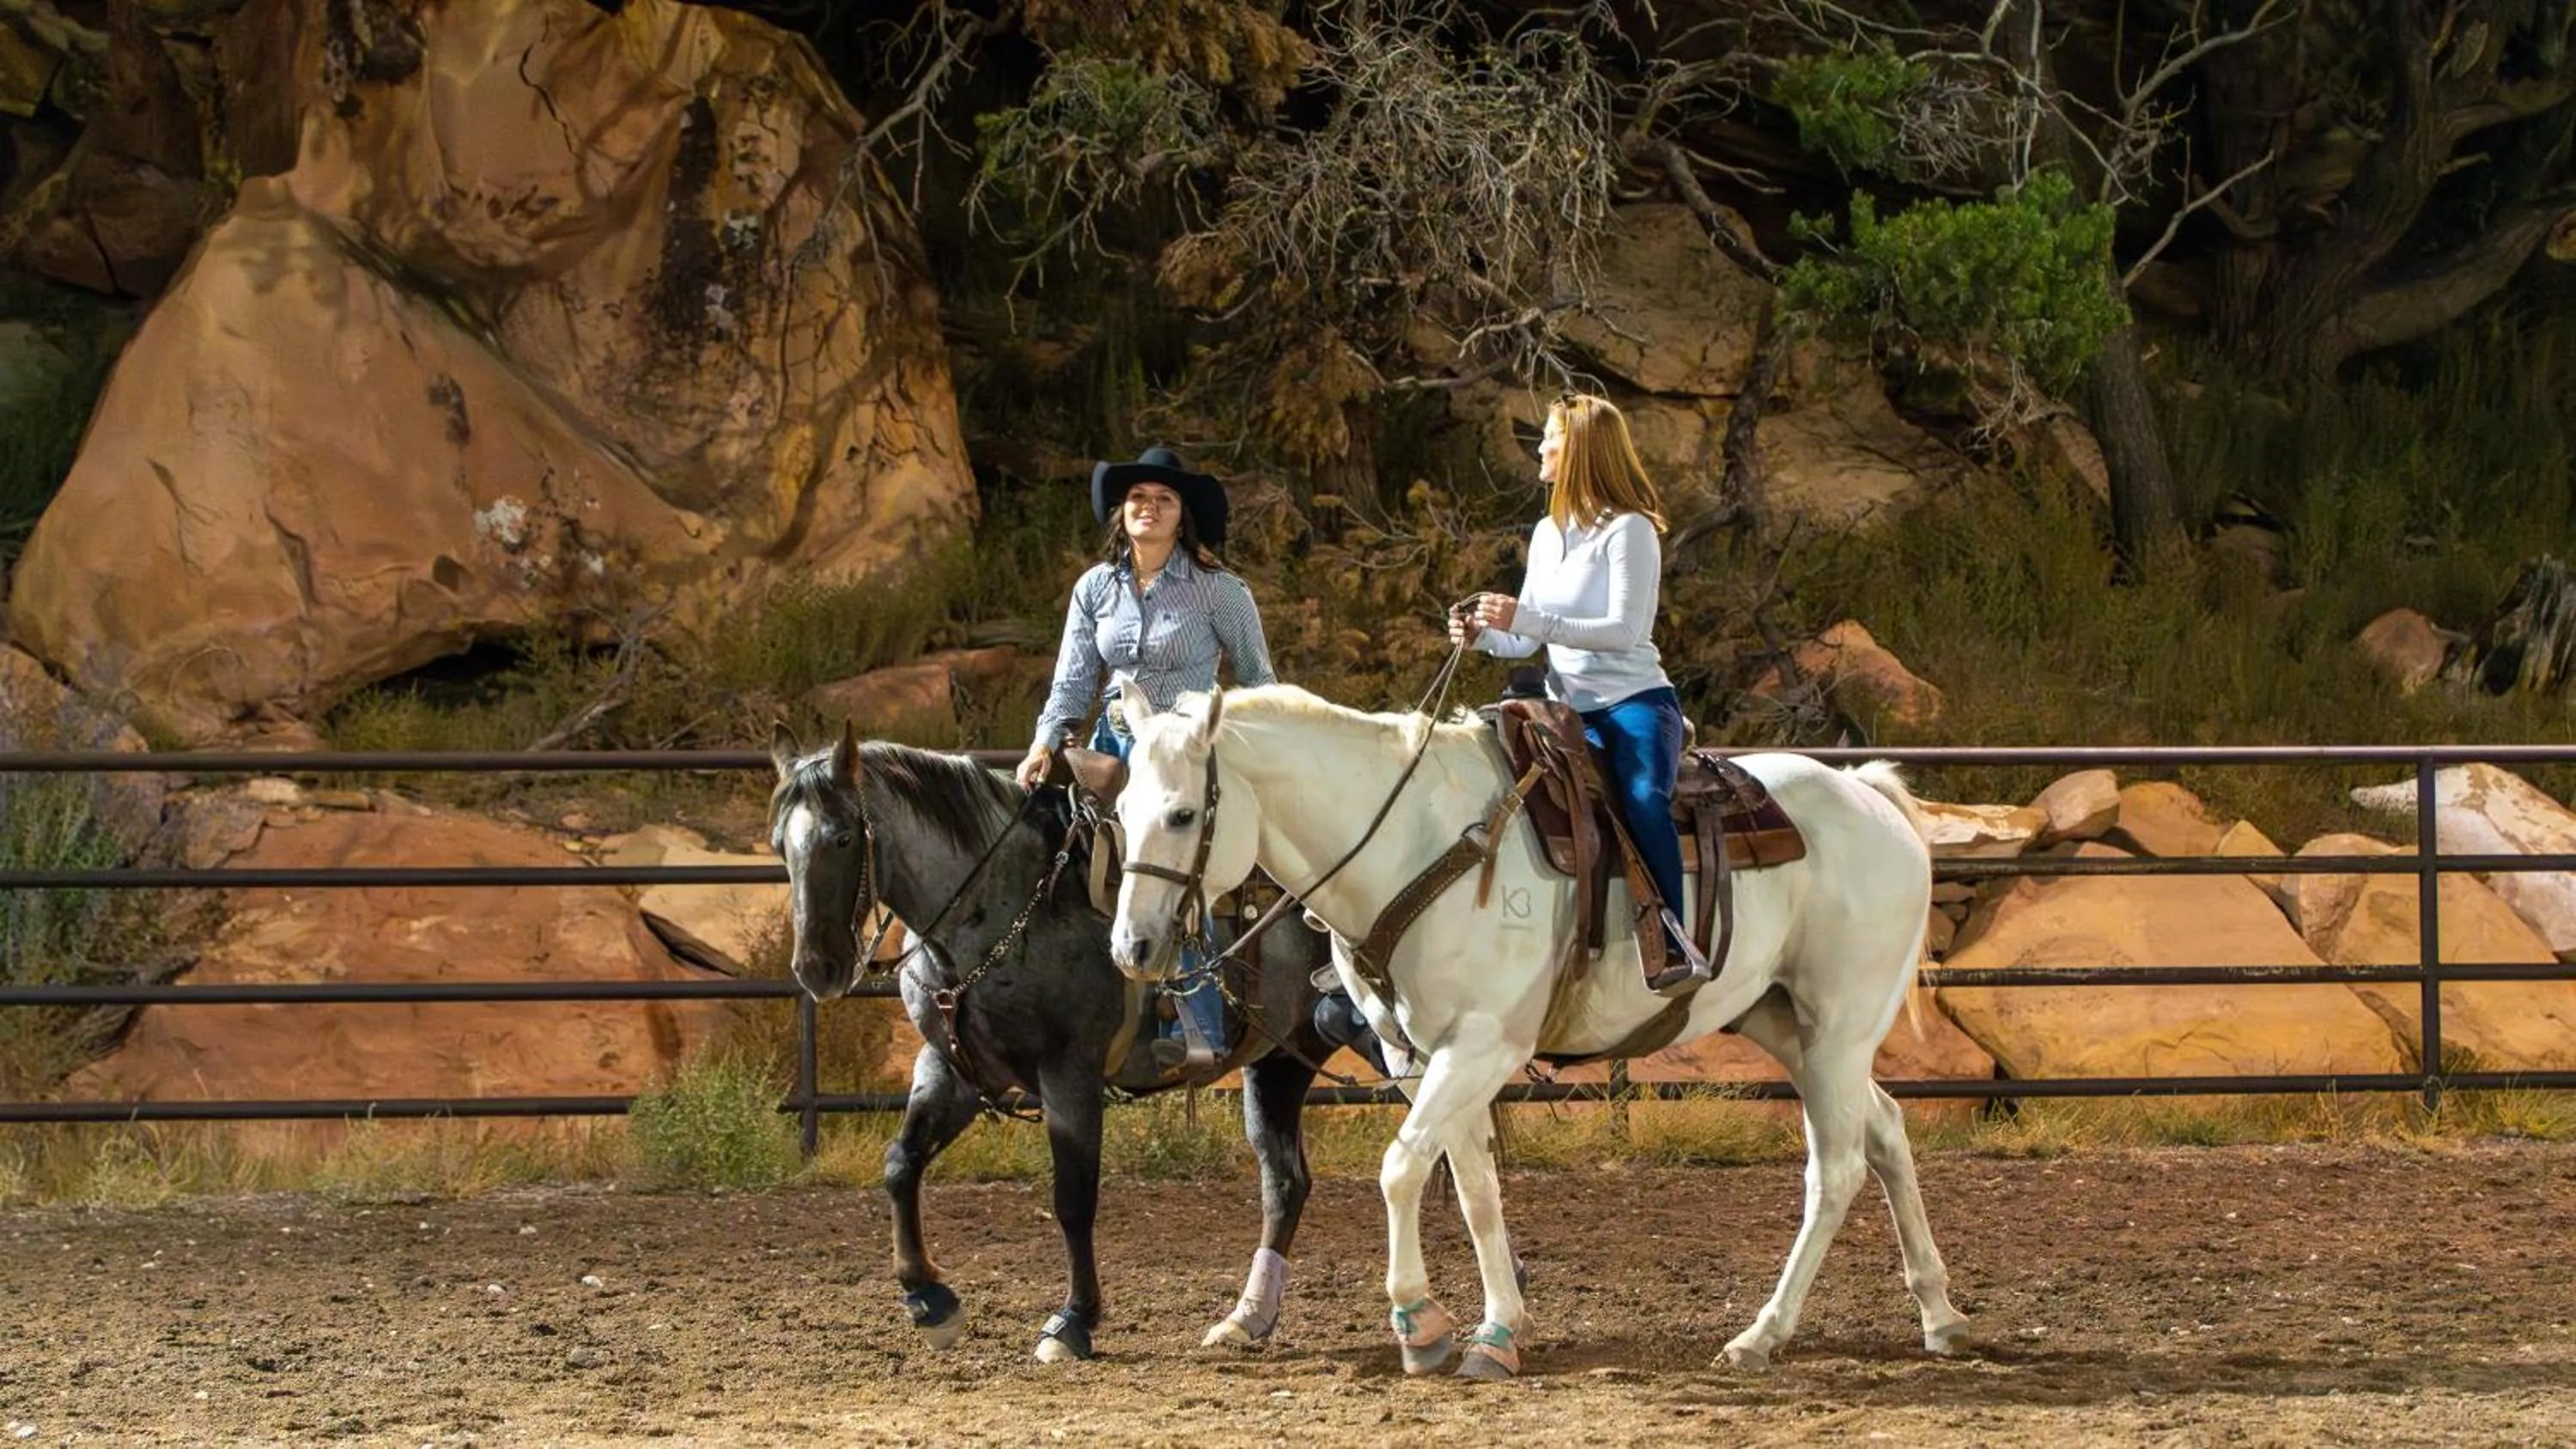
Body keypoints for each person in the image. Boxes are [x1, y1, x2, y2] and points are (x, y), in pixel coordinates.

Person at [1017, 446, 1276, 1069]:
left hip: (1181, 752)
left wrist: (1236, 739)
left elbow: (1260, 679)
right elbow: (1073, 683)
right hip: (1108, 748)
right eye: (1138, 498)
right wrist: (1044, 743)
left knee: (1170, 872)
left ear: (1181, 515)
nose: (1149, 508)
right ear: (1121, 511)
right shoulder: (1096, 588)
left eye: (1163, 500)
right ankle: (1043, 1007)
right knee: (1039, 847)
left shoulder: (1219, 591)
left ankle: (1200, 1029)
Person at [1448, 392, 1714, 997]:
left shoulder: (1630, 531)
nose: (1540, 447)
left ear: (1583, 450)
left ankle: (1673, 937)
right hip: (1565, 710)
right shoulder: (1547, 532)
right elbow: (1524, 644)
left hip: (1634, 703)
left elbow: (1626, 633)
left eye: (1551, 437)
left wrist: (1528, 620)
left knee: (1644, 797)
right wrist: (1485, 635)